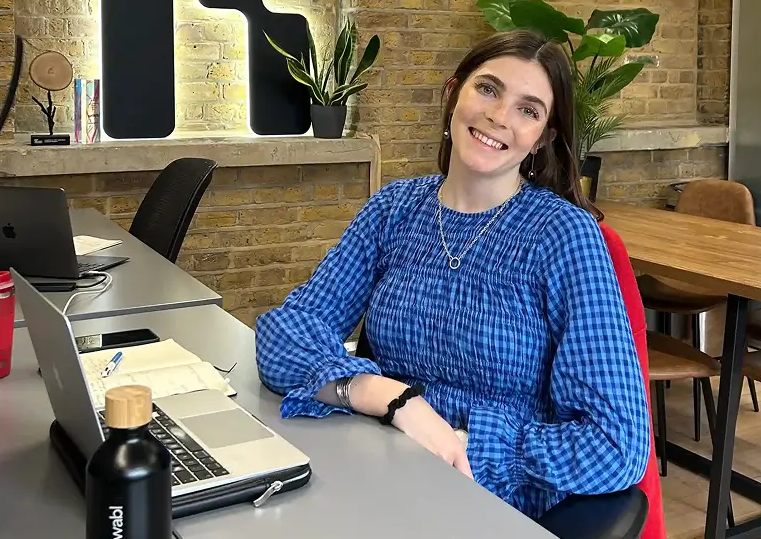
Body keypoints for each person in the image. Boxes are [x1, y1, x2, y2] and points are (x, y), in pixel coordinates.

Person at [255, 30, 651, 533]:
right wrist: (388, 397)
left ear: (544, 138)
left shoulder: (563, 237)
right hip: (377, 470)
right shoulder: (394, 209)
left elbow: (617, 445)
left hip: (488, 500)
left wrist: (467, 441)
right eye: (488, 89)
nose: (500, 116)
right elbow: (284, 331)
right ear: (453, 94)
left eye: (528, 110)